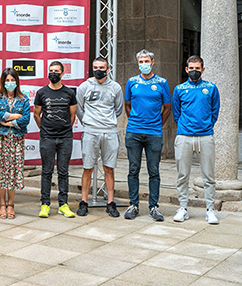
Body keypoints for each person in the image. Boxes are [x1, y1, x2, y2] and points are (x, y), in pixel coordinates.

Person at [123, 49, 171, 221]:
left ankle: (154, 206)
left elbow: (167, 107)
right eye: (140, 62)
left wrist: (157, 123)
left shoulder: (162, 82)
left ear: (153, 62)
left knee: (154, 171)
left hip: (154, 133)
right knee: (133, 169)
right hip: (134, 132)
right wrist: (135, 120)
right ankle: (133, 204)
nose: (143, 64)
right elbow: (127, 104)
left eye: (146, 61)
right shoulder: (131, 82)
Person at [172, 55, 220, 224]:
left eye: (197, 68)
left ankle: (210, 210)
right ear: (186, 69)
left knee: (208, 175)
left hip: (205, 136)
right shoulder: (179, 89)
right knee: (183, 175)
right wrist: (186, 128)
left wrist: (205, 125)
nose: (194, 71)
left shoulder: (211, 88)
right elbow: (176, 113)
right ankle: (183, 208)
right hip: (184, 136)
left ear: (203, 69)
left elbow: (215, 111)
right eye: (191, 68)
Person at [75, 57, 124, 218]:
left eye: (102, 67)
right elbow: (79, 109)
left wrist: (105, 121)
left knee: (109, 168)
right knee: (87, 167)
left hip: (109, 131)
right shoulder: (84, 86)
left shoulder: (115, 87)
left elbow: (118, 109)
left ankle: (110, 202)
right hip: (90, 131)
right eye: (95, 67)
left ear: (108, 69)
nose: (98, 70)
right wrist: (89, 123)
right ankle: (84, 202)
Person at [33, 61, 77, 218]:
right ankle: (45, 204)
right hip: (47, 138)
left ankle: (63, 204)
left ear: (63, 73)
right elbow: (36, 114)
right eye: (51, 70)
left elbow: (72, 115)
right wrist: (44, 129)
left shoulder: (69, 93)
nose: (53, 73)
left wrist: (64, 128)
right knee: (46, 171)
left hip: (65, 137)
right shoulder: (41, 93)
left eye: (56, 71)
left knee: (63, 172)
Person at [0, 68, 31, 219]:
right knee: (0, 172)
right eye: (7, 80)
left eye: (13, 80)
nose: (10, 83)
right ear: (3, 82)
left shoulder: (23, 99)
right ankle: (2, 204)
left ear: (17, 82)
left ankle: (11, 204)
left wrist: (8, 123)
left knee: (13, 172)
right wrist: (14, 117)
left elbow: (26, 119)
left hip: (16, 139)